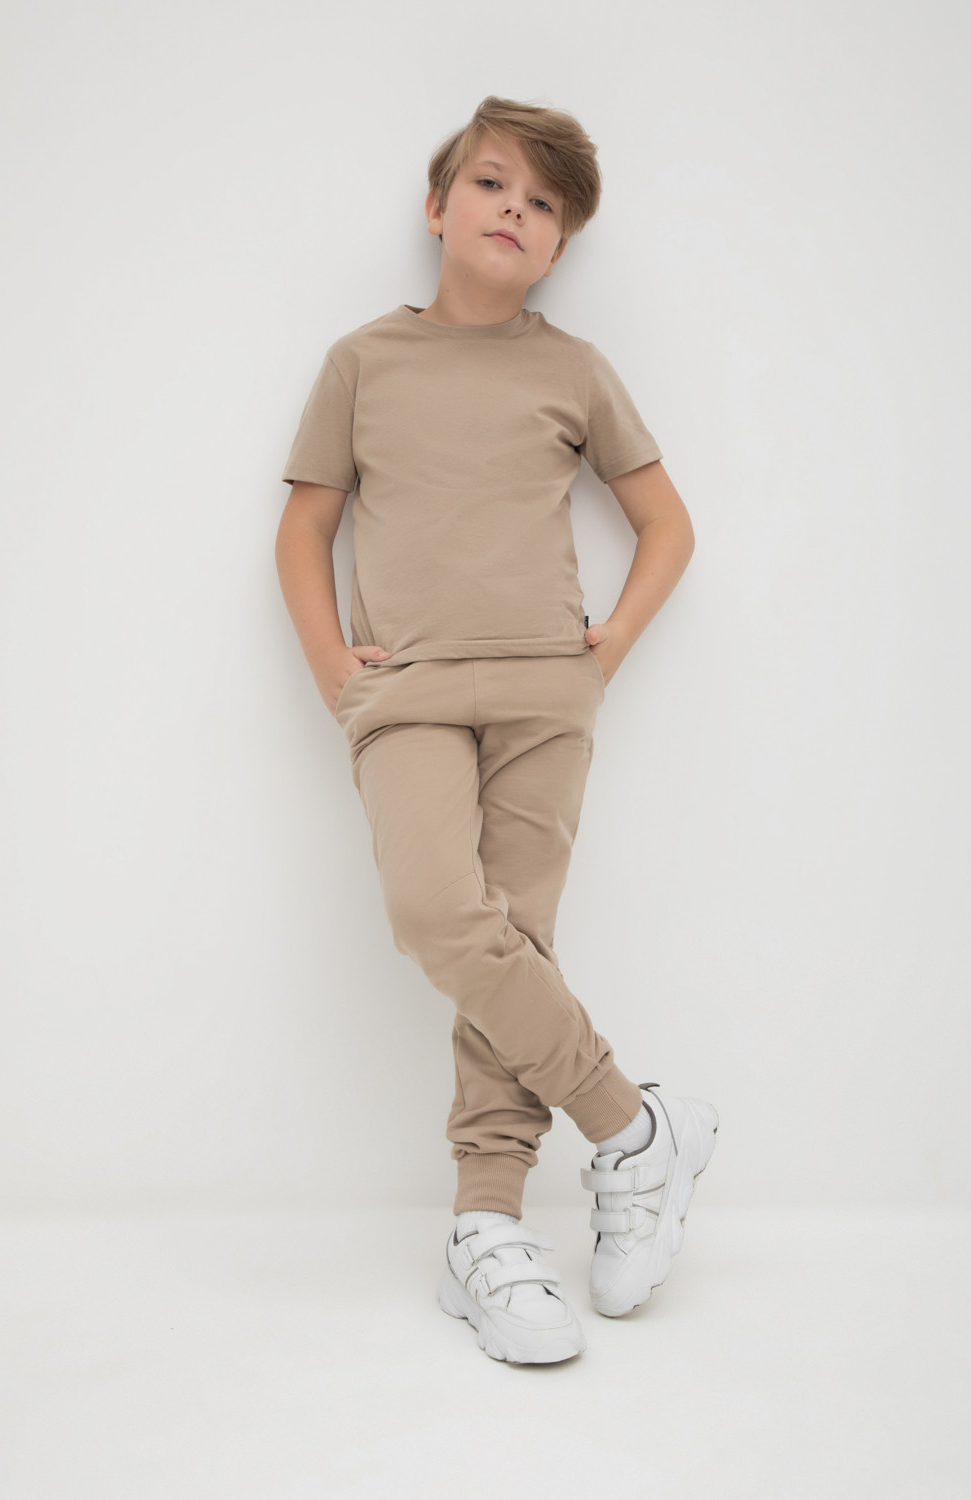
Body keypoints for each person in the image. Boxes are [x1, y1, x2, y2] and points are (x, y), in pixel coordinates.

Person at [274, 95, 718, 1365]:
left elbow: (666, 524)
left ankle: (486, 1228)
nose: (513, 209)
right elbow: (304, 526)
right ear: (437, 206)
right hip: (406, 690)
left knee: (514, 942)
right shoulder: (362, 361)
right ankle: (634, 1127)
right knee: (437, 916)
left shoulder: (571, 369)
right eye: (490, 184)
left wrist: (606, 647)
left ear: (559, 246)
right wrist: (334, 671)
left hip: (543, 692)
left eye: (541, 203)